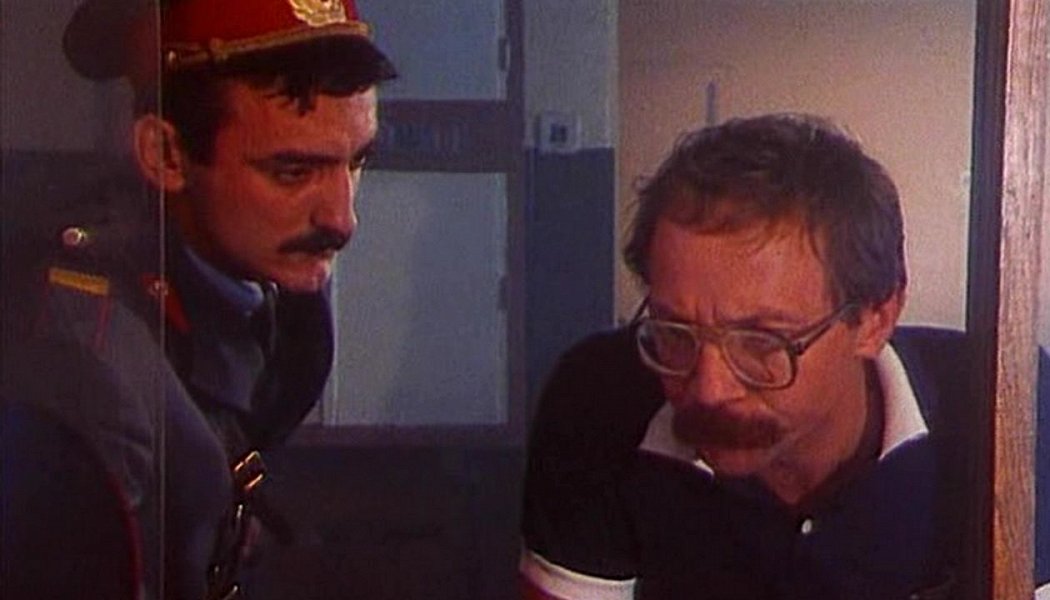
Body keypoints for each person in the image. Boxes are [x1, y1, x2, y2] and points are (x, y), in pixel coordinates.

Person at [519, 113, 1050, 599]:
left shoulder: (1014, 405)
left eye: (761, 342)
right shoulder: (599, 400)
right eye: (675, 332)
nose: (708, 389)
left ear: (874, 319)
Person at [1, 0, 395, 598]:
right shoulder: (87, 368)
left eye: (356, 162)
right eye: (292, 172)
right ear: (165, 155)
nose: (342, 220)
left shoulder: (276, 303)